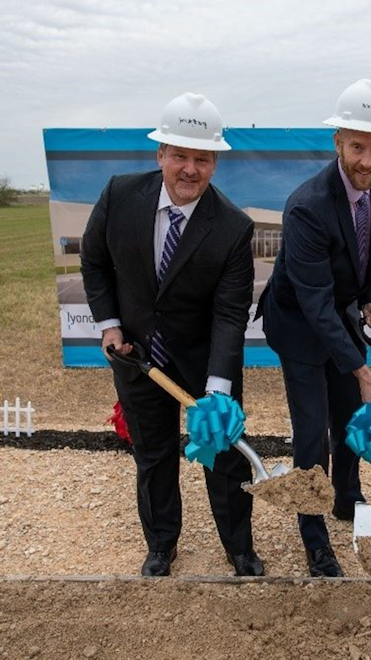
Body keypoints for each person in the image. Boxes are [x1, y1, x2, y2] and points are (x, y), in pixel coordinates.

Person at [81, 92, 264, 578]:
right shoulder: (120, 195)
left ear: (215, 163)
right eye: (179, 155)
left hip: (205, 360)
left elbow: (230, 313)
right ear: (160, 154)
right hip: (135, 354)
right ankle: (161, 544)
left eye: (201, 158)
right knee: (154, 454)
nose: (189, 168)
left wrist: (218, 390)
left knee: (223, 457)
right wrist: (110, 325)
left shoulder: (232, 227)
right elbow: (95, 261)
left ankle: (239, 548)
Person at [256, 79, 371, 577]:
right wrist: (362, 367)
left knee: (348, 419)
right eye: (357, 147)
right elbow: (315, 305)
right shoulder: (307, 207)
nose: (367, 160)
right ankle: (315, 539)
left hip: (338, 313)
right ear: (338, 141)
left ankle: (348, 497)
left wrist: (368, 299)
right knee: (312, 433)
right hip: (299, 324)